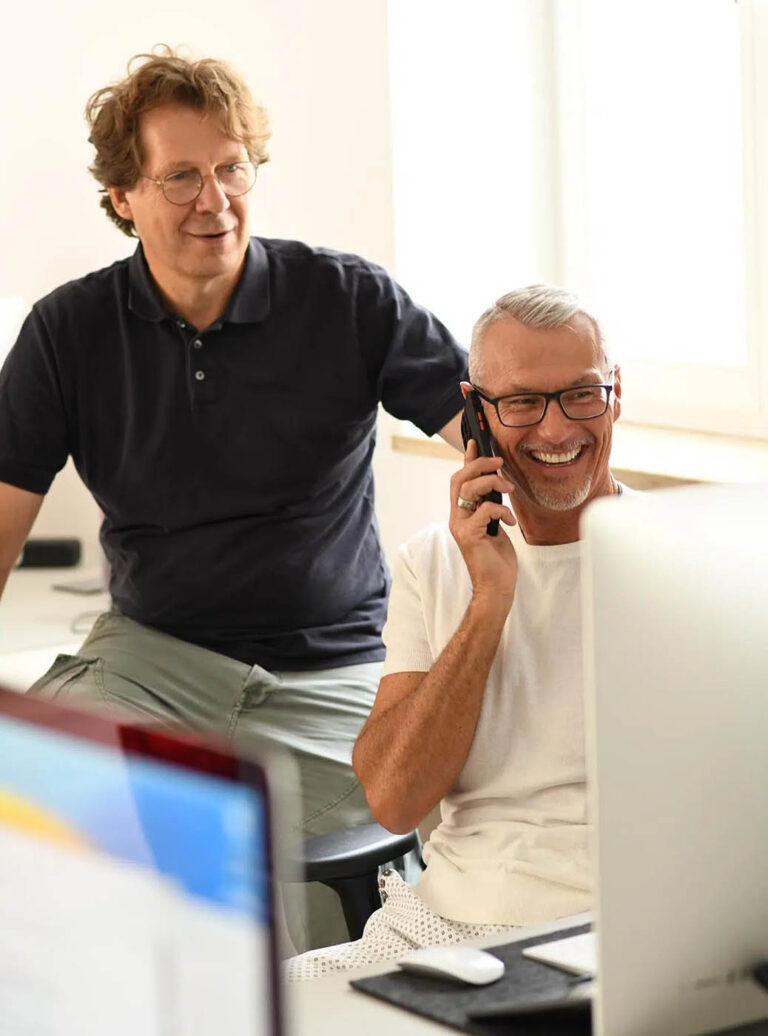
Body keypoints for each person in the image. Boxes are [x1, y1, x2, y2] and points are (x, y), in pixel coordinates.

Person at [0, 47, 466, 951]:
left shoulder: (348, 299)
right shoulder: (68, 330)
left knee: (322, 912)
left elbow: (500, 441)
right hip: (150, 662)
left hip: (333, 670)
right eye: (178, 177)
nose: (213, 200)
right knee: (41, 831)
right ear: (122, 199)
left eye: (230, 169)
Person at [286, 283, 627, 980]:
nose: (558, 431)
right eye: (524, 402)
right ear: (475, 412)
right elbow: (396, 797)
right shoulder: (431, 563)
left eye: (581, 395)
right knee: (267, 1003)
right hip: (443, 927)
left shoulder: (684, 556)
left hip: (607, 930)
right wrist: (489, 602)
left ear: (616, 393)